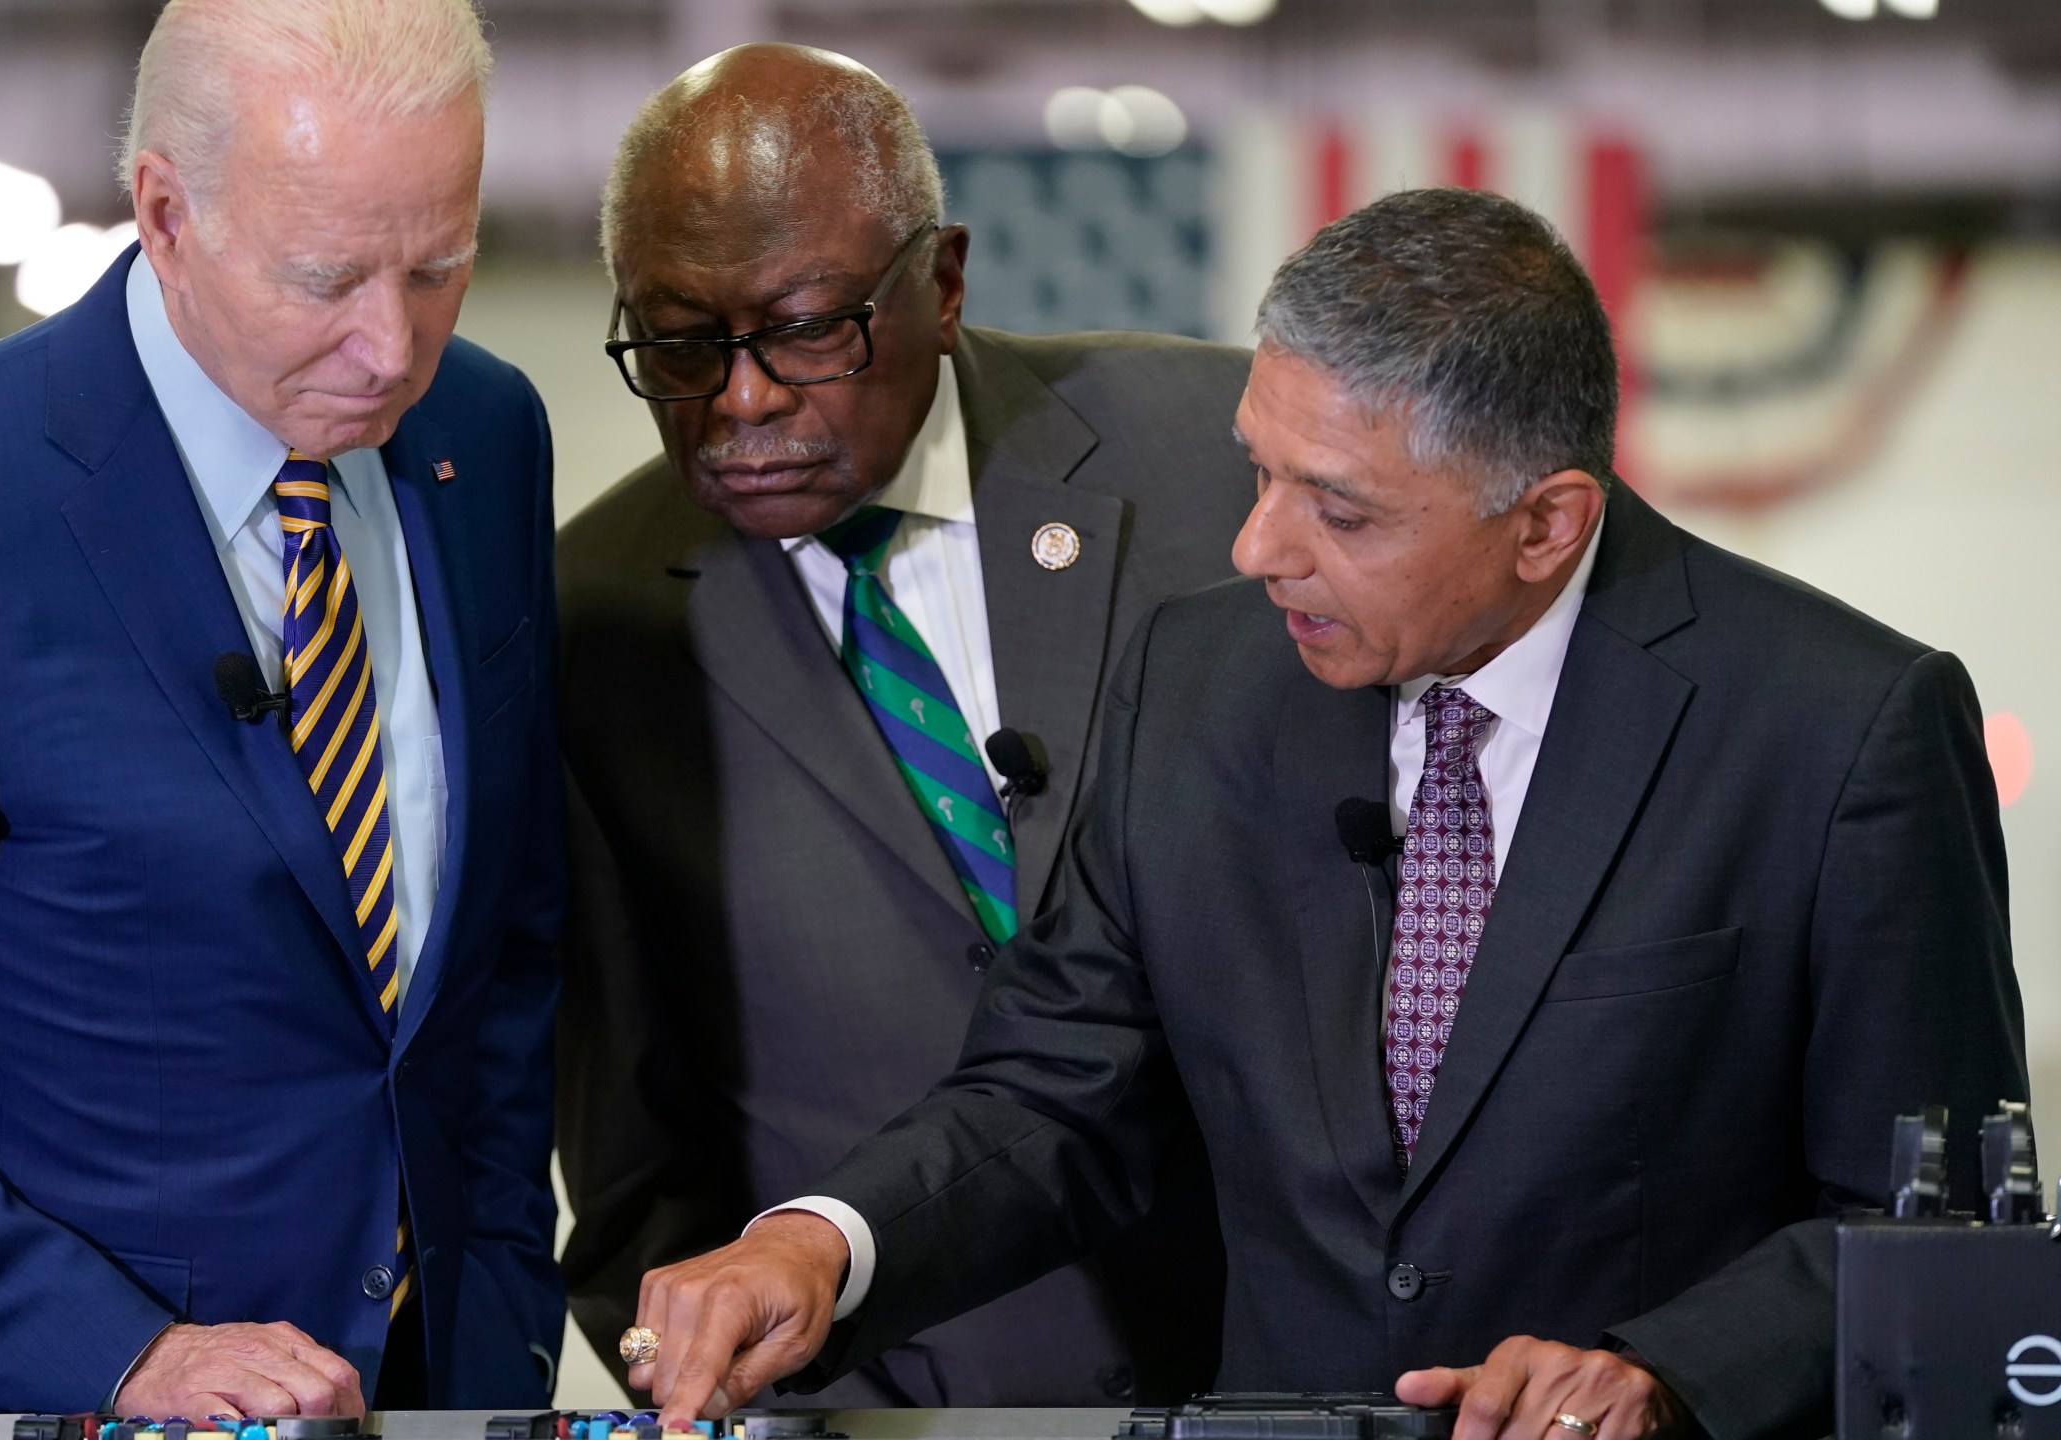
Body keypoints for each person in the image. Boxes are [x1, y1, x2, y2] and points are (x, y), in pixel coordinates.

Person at [617, 188, 2029, 1440]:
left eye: (1340, 512)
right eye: (1258, 470)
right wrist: (821, 1246)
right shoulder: (1198, 679)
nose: (1256, 548)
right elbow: (1061, 1084)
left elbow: (1936, 1232)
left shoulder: (1840, 732)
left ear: (1544, 523)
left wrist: (1664, 1375)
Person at [0, 0, 563, 1416]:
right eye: (325, 278)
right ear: (166, 212)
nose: (391, 346)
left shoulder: (484, 440)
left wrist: (497, 1312)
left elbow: (499, 960)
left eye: (440, 267)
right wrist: (118, 1354)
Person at [555, 44, 1252, 1408]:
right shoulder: (592, 622)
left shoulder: (1217, 462)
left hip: (1302, 1376)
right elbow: (636, 1162)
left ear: (941, 280)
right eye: (680, 340)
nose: (741, 399)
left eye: (807, 326)